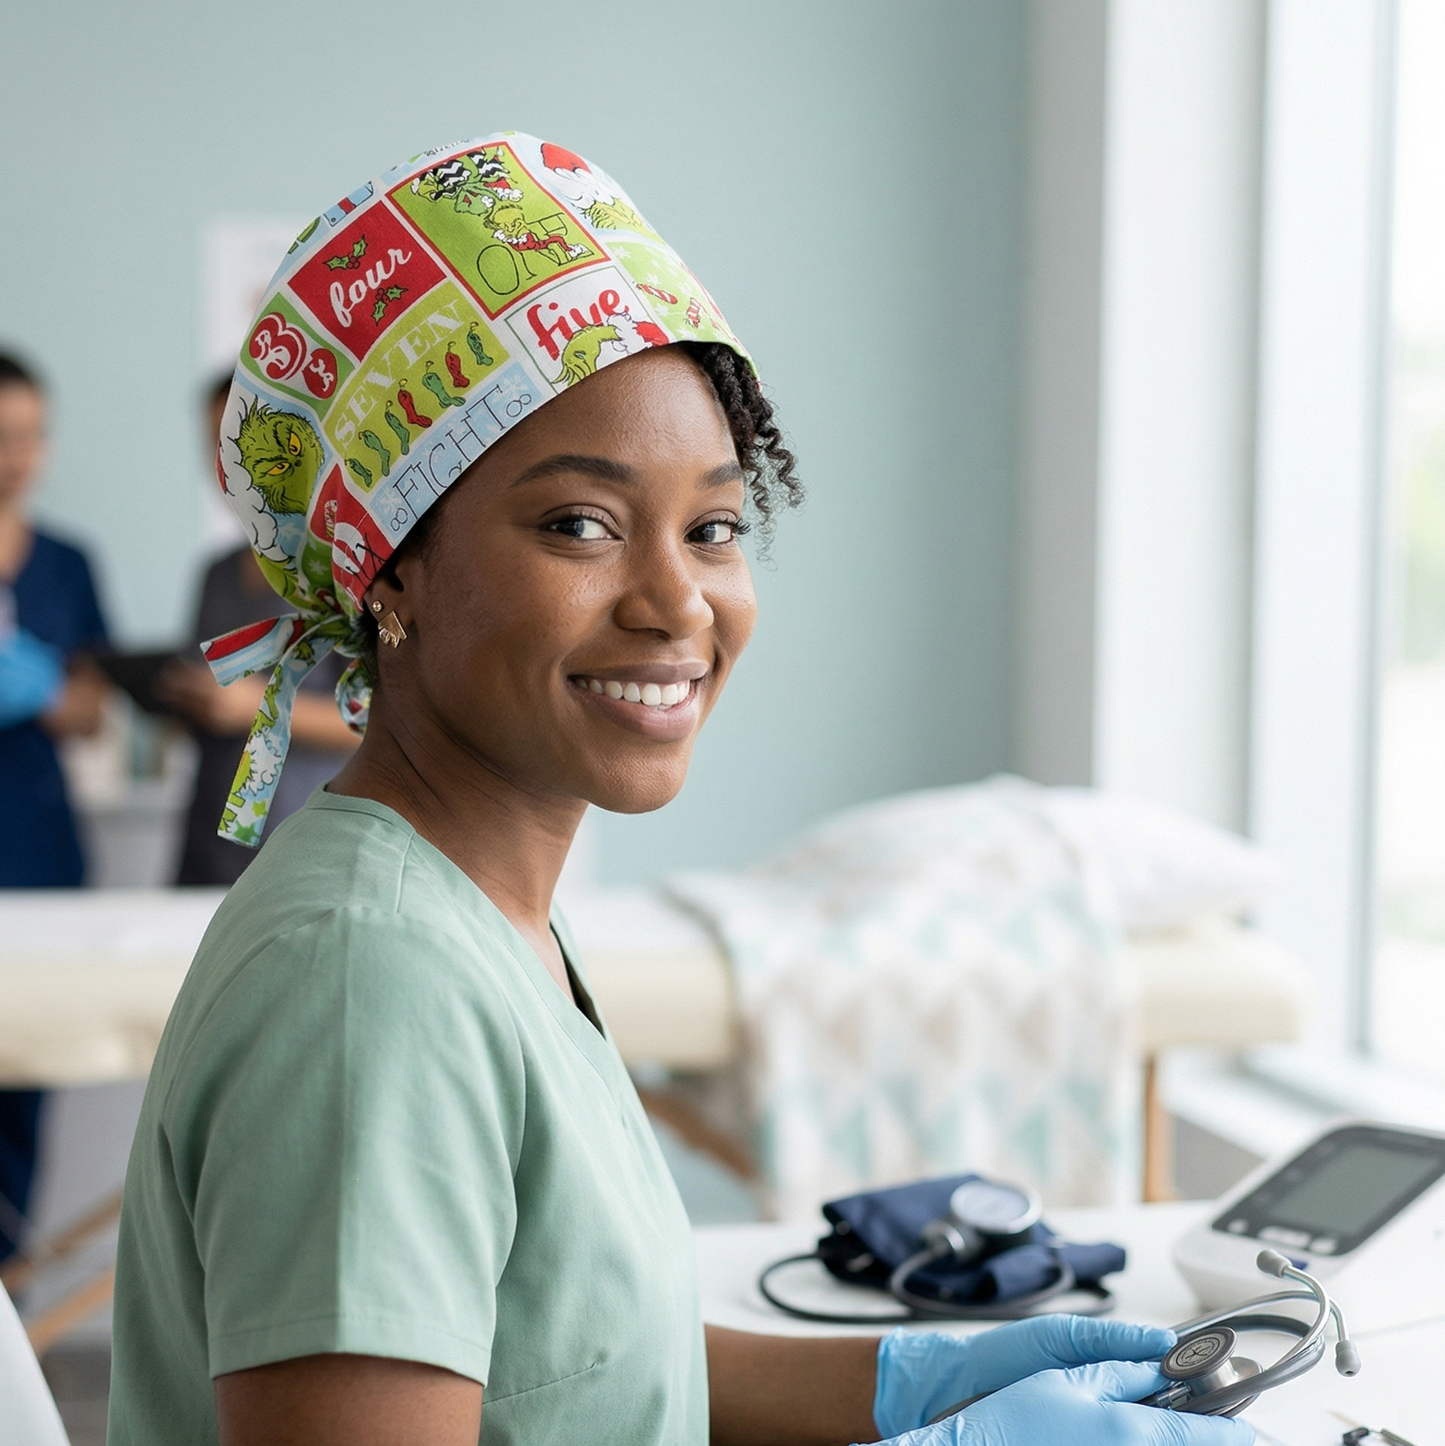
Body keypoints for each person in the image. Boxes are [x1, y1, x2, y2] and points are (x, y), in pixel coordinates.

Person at [108, 136, 1249, 1446]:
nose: (677, 603)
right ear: (390, 570)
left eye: (712, 529)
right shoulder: (370, 980)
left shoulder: (486, 915)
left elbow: (568, 1359)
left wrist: (909, 1386)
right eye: (579, 526)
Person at [161, 376, 358, 886]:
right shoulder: (216, 574)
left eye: (244, 443)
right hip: (212, 846)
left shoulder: (339, 570)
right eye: (216, 445)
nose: (229, 464)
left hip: (305, 854)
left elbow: (373, 720)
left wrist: (256, 707)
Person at [0, 351, 110, 1261]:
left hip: (36, 849)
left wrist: (35, 687)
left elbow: (91, 709)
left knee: (20, 1099)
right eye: (2, 437)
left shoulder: (66, 562)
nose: (19, 457)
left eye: (32, 436)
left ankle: (12, 1311)